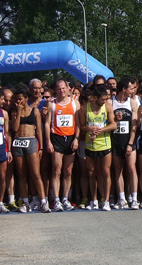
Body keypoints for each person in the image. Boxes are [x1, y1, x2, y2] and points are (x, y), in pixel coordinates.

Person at [10, 86, 50, 213]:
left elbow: (39, 130)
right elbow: (15, 128)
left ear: (26, 98)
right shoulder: (14, 112)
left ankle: (43, 201)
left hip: (31, 141)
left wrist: (41, 147)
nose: (18, 101)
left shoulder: (35, 111)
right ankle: (25, 202)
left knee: (35, 173)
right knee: (21, 174)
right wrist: (18, 111)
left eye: (20, 99)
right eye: (17, 99)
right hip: (18, 142)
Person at [79, 85, 116, 211]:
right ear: (95, 98)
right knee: (91, 172)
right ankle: (93, 200)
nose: (104, 101)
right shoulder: (84, 109)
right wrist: (90, 129)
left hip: (105, 143)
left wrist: (101, 130)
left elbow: (113, 124)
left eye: (106, 99)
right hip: (90, 144)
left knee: (105, 172)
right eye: (103, 99)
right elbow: (82, 127)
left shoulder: (108, 107)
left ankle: (105, 200)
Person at [45, 79, 80, 211]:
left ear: (68, 88)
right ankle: (56, 199)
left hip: (70, 138)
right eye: (59, 89)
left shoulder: (74, 103)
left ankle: (65, 198)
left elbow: (78, 123)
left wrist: (76, 139)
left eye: (63, 88)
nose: (61, 91)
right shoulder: (51, 104)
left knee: (68, 171)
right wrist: (48, 141)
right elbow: (47, 123)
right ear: (56, 90)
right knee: (57, 170)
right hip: (56, 138)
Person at [111, 77, 139, 209]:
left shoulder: (132, 103)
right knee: (118, 169)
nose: (132, 91)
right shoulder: (111, 103)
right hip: (115, 141)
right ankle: (121, 198)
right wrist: (114, 119)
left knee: (131, 168)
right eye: (130, 88)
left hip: (129, 140)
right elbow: (108, 122)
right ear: (123, 89)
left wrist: (130, 143)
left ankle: (134, 198)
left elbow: (134, 125)